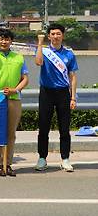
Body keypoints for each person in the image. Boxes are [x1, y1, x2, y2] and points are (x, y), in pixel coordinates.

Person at [35, 23, 79, 172]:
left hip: (63, 93)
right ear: (49, 36)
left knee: (64, 129)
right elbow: (38, 62)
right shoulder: (44, 51)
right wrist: (40, 44)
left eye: (58, 34)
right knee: (43, 127)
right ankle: (42, 158)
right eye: (52, 34)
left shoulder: (69, 54)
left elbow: (72, 77)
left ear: (63, 36)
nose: (55, 36)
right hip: (46, 92)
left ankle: (65, 159)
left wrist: (73, 97)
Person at [0, 28, 29, 177]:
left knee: (11, 134)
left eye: (6, 39)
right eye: (0, 39)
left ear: (11, 41)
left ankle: (7, 163)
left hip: (14, 99)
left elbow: (25, 79)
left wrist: (15, 90)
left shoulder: (19, 57)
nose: (3, 42)